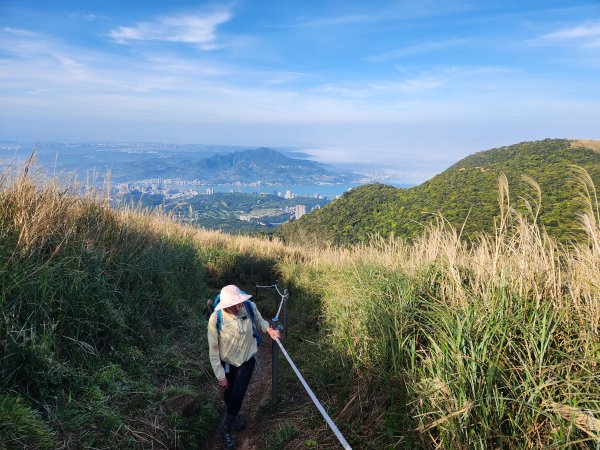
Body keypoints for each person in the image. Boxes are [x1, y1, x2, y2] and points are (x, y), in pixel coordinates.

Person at [207, 284, 281, 450]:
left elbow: (260, 321)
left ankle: (224, 429)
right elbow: (213, 351)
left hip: (247, 360)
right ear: (225, 304)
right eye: (233, 304)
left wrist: (268, 329)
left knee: (238, 395)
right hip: (227, 363)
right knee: (229, 392)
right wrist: (220, 376)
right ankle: (235, 415)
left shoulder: (249, 306)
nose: (237, 306)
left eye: (239, 302)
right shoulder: (216, 319)